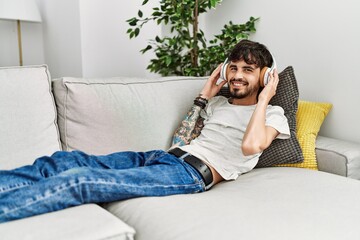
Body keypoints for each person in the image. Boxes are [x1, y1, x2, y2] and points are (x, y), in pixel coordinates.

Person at [0, 39, 290, 223]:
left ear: (265, 76)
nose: (238, 75)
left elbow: (252, 147)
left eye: (248, 70)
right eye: (234, 68)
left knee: (82, 181)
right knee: (64, 161)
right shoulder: (217, 103)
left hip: (189, 175)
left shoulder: (272, 115)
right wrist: (203, 96)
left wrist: (264, 98)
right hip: (164, 157)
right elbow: (180, 140)